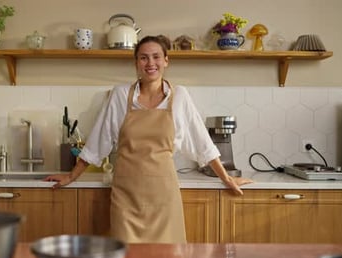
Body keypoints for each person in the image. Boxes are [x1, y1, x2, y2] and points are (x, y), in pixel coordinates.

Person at [44, 35, 253, 243]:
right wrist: (71, 176)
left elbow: (202, 142)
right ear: (136, 63)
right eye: (144, 58)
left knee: (167, 256)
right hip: (126, 198)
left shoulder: (179, 96)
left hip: (164, 198)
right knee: (127, 256)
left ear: (166, 61)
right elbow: (99, 141)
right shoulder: (120, 95)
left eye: (156, 57)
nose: (150, 63)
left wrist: (226, 178)